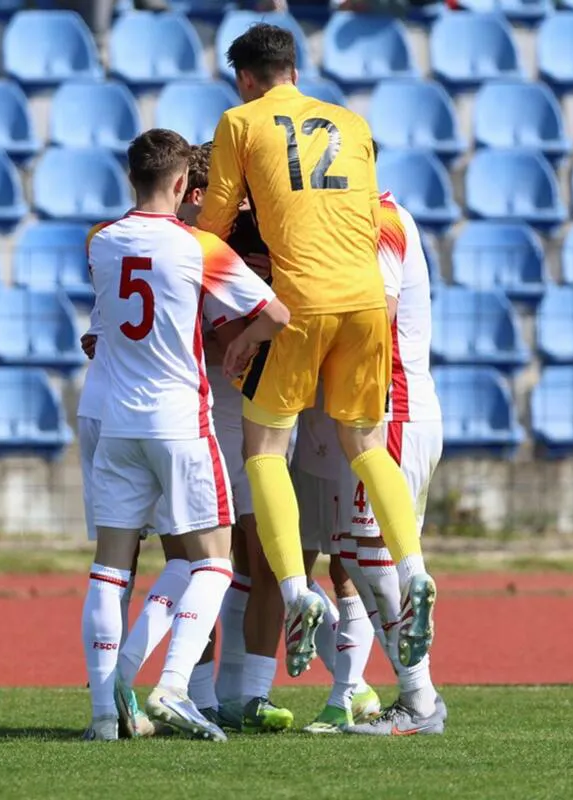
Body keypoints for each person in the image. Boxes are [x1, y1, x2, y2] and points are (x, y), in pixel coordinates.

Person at [198, 23, 437, 680]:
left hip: (301, 300)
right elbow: (361, 216)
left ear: (246, 79)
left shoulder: (240, 121)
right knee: (366, 444)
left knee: (264, 450)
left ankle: (297, 590)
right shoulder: (352, 122)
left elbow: (215, 222)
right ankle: (415, 568)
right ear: (296, 72)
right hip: (365, 302)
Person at [81, 128, 289, 741]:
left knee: (110, 570)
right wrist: (245, 343)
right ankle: (171, 686)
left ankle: (104, 712)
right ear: (181, 183)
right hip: (179, 422)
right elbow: (276, 315)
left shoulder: (101, 241)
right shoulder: (198, 246)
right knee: (215, 563)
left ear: (132, 177)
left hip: (117, 423)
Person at [179, 144, 294, 733]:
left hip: (261, 412)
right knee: (204, 559)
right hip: (204, 416)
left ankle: (249, 692)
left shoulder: (276, 236)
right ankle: (199, 694)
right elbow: (231, 343)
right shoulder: (191, 246)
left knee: (264, 555)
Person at [340, 189, 447, 735]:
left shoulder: (379, 219)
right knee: (354, 555)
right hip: (395, 410)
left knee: (371, 556)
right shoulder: (380, 214)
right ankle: (414, 692)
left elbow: (377, 318)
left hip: (392, 411)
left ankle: (418, 700)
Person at [291, 400, 384, 732]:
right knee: (291, 574)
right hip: (306, 454)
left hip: (349, 455)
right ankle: (357, 691)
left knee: (345, 572)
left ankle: (343, 698)